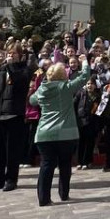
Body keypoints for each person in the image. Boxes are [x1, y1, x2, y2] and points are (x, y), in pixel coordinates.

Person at [29, 62, 89, 206]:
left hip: (44, 133)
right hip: (66, 134)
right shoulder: (65, 87)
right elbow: (84, 77)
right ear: (63, 76)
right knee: (65, 164)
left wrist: (44, 83)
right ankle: (64, 194)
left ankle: (43, 199)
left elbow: (32, 101)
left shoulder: (42, 89)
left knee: (46, 165)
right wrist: (85, 62)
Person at [0, 46, 31, 193]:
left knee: (12, 150)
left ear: (20, 56)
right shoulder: (0, 71)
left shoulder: (23, 69)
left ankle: (11, 179)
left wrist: (10, 65)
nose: (10, 55)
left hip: (13, 114)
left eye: (13, 53)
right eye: (8, 53)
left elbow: (19, 81)